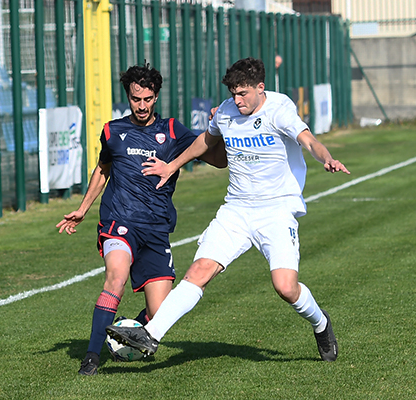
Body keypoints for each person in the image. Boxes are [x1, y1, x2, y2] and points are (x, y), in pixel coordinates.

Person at [107, 57, 350, 362]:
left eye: (243, 93)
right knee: (198, 270)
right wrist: (171, 166)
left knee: (286, 287)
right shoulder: (225, 111)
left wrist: (326, 158)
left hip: (275, 210)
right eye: (233, 93)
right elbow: (204, 141)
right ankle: (151, 334)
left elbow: (309, 140)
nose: (237, 100)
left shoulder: (280, 109)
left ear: (260, 88)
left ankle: (320, 322)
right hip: (236, 210)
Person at [57, 64, 226, 375]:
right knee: (116, 277)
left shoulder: (174, 131)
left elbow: (218, 161)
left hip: (157, 228)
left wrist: (220, 131)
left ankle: (129, 330)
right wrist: (82, 208)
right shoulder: (113, 131)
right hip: (118, 221)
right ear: (128, 97)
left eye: (148, 99)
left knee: (160, 312)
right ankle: (92, 357)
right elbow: (103, 169)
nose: (143, 105)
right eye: (136, 99)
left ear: (156, 96)